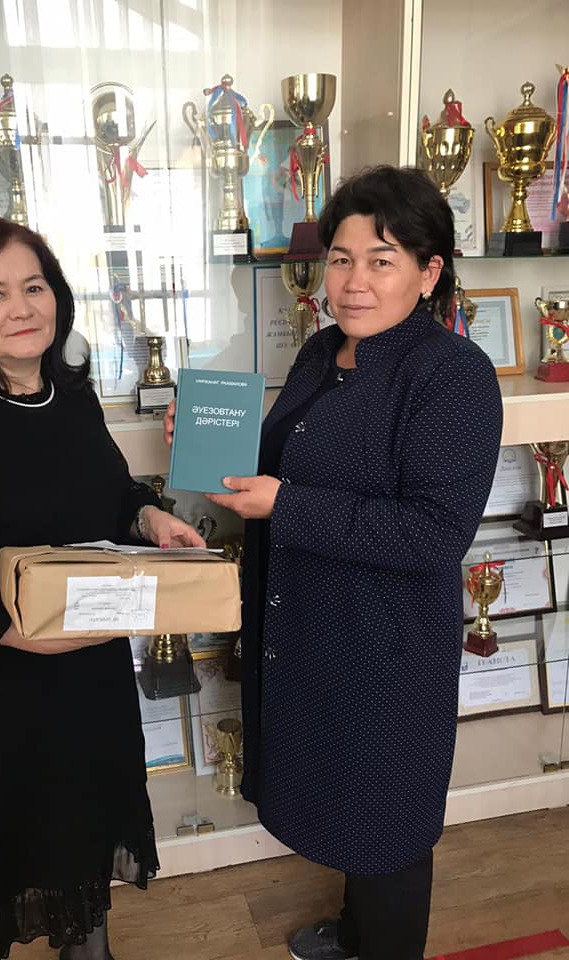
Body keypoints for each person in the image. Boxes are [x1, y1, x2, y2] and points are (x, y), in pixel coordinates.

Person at [164, 166, 503, 960]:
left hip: (385, 647)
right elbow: (293, 464)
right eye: (341, 259)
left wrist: (285, 506)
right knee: (346, 803)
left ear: (429, 271)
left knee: (388, 824)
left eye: (382, 260)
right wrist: (212, 447)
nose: (353, 281)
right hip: (310, 628)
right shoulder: (323, 353)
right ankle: (354, 934)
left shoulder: (453, 376)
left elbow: (432, 534)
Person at [0, 217, 204, 960]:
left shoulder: (70, 393)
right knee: (3, 858)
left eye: (34, 287)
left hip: (86, 675)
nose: (22, 308)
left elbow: (111, 494)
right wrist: (30, 637)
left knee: (82, 835)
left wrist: (149, 517)